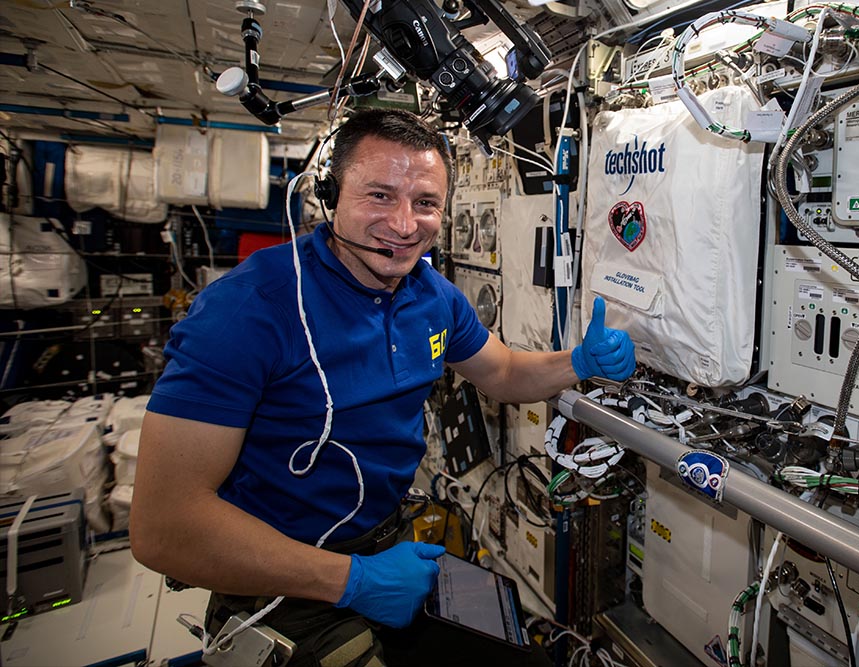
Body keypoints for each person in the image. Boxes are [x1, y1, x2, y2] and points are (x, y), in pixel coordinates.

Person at [129, 108, 636, 667]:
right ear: (331, 196)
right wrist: (354, 581)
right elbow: (164, 526)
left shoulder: (433, 296)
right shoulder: (248, 310)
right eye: (379, 196)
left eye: (425, 203)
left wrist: (581, 361)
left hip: (387, 552)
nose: (403, 225)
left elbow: (506, 373)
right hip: (282, 584)